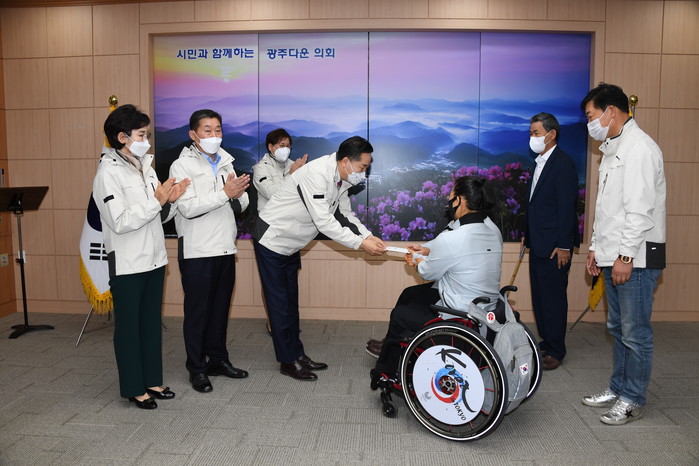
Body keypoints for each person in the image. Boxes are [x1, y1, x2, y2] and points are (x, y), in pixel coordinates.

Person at [253, 136, 387, 381]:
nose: (364, 173)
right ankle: (287, 361)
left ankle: (298, 354)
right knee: (279, 304)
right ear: (346, 161)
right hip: (273, 238)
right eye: (363, 167)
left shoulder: (341, 177)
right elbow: (324, 221)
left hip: (291, 241)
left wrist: (367, 235)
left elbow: (344, 214)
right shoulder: (317, 173)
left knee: (290, 302)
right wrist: (360, 243)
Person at [93, 104, 189, 409]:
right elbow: (120, 221)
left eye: (146, 134)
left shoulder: (146, 166)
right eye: (141, 134)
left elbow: (156, 216)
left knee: (149, 324)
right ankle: (134, 387)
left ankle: (152, 380)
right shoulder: (107, 173)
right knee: (129, 328)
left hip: (154, 258)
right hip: (127, 262)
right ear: (122, 137)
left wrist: (169, 202)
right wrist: (156, 201)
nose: (146, 140)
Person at [581, 83, 666, 425]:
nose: (590, 123)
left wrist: (625, 257)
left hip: (636, 259)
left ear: (611, 112)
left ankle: (633, 398)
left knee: (634, 333)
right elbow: (607, 208)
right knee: (617, 328)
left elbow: (640, 212)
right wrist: (595, 248)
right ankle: (618, 387)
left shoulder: (640, 149)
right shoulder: (612, 148)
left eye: (591, 115)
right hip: (614, 255)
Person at [370, 176, 502, 386]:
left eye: (452, 195)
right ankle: (395, 346)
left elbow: (427, 272)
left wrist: (417, 260)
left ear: (460, 200)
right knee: (410, 294)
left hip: (459, 315)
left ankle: (387, 372)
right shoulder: (492, 231)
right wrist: (426, 251)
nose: (448, 199)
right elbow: (453, 251)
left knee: (400, 314)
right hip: (484, 307)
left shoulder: (456, 237)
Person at [169, 109, 250, 393]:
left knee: (219, 310)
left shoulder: (227, 161)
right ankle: (196, 368)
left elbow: (243, 201)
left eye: (218, 130)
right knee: (198, 313)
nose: (214, 135)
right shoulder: (181, 166)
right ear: (193, 134)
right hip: (197, 249)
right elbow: (188, 208)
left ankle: (218, 360)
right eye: (207, 130)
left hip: (225, 247)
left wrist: (236, 196)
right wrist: (225, 194)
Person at [523, 112, 580, 371]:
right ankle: (546, 341)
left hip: (556, 246)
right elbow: (535, 204)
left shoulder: (563, 163)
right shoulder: (539, 162)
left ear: (551, 134)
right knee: (540, 296)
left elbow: (567, 208)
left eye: (536, 133)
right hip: (538, 242)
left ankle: (557, 349)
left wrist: (564, 245)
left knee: (554, 298)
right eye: (531, 133)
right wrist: (527, 234)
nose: (532, 137)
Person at [252, 129, 308, 335]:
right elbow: (273, 193)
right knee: (272, 282)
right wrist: (292, 174)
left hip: (290, 230)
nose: (285, 149)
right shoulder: (261, 168)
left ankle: (290, 323)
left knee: (289, 281)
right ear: (270, 147)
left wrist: (300, 172)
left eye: (288, 145)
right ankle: (273, 322)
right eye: (281, 145)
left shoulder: (295, 165)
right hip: (269, 232)